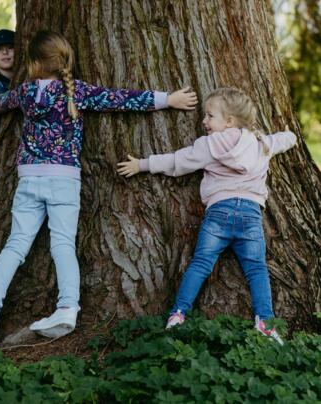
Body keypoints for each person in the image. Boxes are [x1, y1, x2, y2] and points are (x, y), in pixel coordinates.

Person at [0, 30, 198, 346]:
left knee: (16, 245)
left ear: (34, 63)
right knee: (62, 244)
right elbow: (120, 99)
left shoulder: (24, 92)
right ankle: (67, 308)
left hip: (29, 177)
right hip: (63, 178)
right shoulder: (75, 91)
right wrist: (167, 99)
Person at [117, 87, 296, 344]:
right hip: (250, 215)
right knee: (257, 269)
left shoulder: (209, 145)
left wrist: (142, 164)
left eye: (210, 116)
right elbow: (280, 141)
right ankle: (266, 324)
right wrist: (291, 135)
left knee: (201, 264)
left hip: (219, 213)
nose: (204, 121)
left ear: (229, 121)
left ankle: (178, 314)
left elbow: (177, 161)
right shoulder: (260, 143)